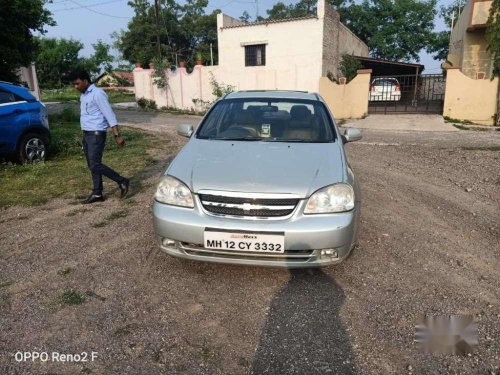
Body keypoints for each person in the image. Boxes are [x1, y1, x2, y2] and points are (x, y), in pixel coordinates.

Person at [69, 69, 130, 204]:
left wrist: (117, 135)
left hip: (96, 135)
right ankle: (97, 193)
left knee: (95, 164)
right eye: (74, 84)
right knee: (92, 165)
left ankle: (122, 181)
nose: (76, 87)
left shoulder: (98, 94)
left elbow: (109, 115)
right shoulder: (83, 96)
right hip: (87, 135)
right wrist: (83, 135)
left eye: (77, 84)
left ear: (85, 81)